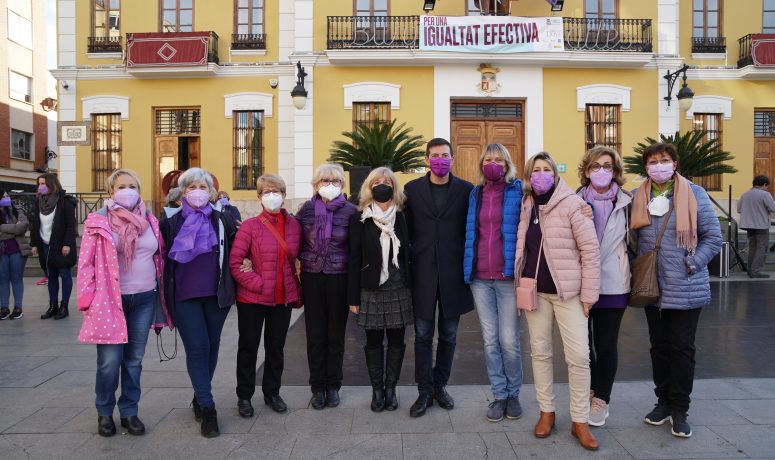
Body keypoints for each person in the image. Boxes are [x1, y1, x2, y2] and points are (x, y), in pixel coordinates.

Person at [632, 143, 722, 439]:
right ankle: (663, 402)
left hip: (685, 285)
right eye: (653, 161)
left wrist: (693, 264)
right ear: (645, 166)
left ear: (675, 164)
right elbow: (631, 238)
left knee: (681, 349)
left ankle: (680, 408)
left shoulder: (694, 194)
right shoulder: (638, 196)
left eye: (665, 160)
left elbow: (713, 237)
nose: (659, 165)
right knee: (658, 347)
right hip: (651, 285)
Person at [76, 169, 172, 437]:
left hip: (144, 298)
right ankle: (104, 412)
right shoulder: (98, 222)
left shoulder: (150, 221)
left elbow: (159, 256)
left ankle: (129, 411)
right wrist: (87, 298)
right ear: (111, 192)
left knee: (134, 361)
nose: (127, 190)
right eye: (121, 186)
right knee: (109, 361)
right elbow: (85, 264)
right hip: (109, 301)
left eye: (132, 186)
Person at [515, 152, 600, 450]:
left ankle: (580, 420)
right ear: (528, 176)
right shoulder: (526, 204)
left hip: (570, 294)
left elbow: (590, 251)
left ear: (555, 173)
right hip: (535, 293)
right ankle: (546, 412)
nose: (541, 174)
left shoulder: (574, 205)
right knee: (540, 353)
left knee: (578, 357)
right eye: (535, 170)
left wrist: (589, 294)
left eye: (546, 169)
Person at [160, 167, 237, 438]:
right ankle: (208, 408)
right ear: (182, 192)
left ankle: (199, 395)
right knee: (197, 348)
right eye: (192, 187)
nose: (197, 192)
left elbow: (237, 250)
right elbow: (158, 257)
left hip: (217, 296)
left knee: (212, 347)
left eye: (203, 187)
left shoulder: (222, 218)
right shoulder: (169, 221)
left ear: (211, 192)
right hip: (183, 296)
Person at [404, 137, 474, 418]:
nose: (440, 159)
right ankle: (423, 391)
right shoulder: (412, 190)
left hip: (453, 274)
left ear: (452, 159)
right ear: (426, 159)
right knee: (422, 335)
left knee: (449, 335)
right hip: (421, 273)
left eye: (445, 155)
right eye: (434, 155)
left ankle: (439, 386)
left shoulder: (466, 190)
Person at [229, 174, 301, 418]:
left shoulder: (294, 225)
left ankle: (272, 392)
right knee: (248, 347)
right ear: (259, 196)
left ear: (284, 194)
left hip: (282, 299)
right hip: (253, 298)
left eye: (277, 190)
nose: (273, 195)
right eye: (267, 191)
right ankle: (244, 396)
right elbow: (236, 262)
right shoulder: (250, 226)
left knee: (276, 348)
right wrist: (258, 283)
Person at [463, 144, 524, 423]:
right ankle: (499, 395)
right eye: (489, 159)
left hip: (508, 278)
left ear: (507, 164)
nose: (493, 163)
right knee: (490, 340)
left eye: (499, 159)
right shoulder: (475, 193)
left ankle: (514, 395)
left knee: (509, 340)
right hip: (480, 278)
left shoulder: (519, 191)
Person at [348, 167, 413, 413]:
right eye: (377, 181)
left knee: (397, 340)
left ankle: (391, 389)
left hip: (399, 287)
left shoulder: (404, 215)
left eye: (387, 181)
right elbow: (354, 258)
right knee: (373, 341)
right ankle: (377, 391)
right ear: (369, 186)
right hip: (371, 289)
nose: (382, 185)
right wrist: (353, 297)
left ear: (394, 187)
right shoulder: (360, 217)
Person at [576, 146, 632, 427]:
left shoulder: (628, 202)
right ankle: (589, 390)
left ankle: (601, 400)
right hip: (580, 283)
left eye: (607, 166)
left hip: (613, 283)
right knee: (582, 346)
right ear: (586, 171)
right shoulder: (573, 201)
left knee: (606, 343)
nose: (601, 171)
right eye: (595, 166)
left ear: (616, 171)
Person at [296, 163, 357, 409]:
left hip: (339, 278)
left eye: (335, 181)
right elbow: (293, 239)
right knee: (315, 335)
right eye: (324, 181)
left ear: (342, 185)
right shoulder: (307, 210)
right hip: (312, 276)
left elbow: (357, 249)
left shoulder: (352, 212)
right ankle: (317, 387)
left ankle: (333, 386)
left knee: (336, 334)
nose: (329, 185)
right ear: (316, 184)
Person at [29, 173, 77, 320]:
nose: (40, 186)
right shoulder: (39, 201)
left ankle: (64, 306)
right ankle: (53, 306)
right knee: (51, 276)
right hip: (44, 244)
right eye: (39, 184)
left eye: (43, 183)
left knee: (65, 274)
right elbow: (35, 224)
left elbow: (71, 225)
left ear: (51, 184)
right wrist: (34, 243)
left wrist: (67, 243)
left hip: (61, 245)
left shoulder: (64, 202)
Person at [0, 191, 31, 320]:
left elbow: (22, 227)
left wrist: (2, 227)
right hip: (2, 252)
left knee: (16, 279)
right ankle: (4, 308)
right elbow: (16, 229)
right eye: (3, 196)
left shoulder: (17, 210)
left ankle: (18, 307)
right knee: (3, 280)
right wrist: (14, 228)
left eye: (7, 196)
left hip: (17, 250)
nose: (6, 198)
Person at [737, 175, 775, 278]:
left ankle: (750, 269)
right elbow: (773, 208)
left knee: (753, 247)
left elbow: (739, 209)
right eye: (767, 186)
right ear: (764, 184)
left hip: (748, 225)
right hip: (761, 225)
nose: (767, 188)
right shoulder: (765, 194)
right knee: (761, 248)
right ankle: (756, 271)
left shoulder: (745, 194)